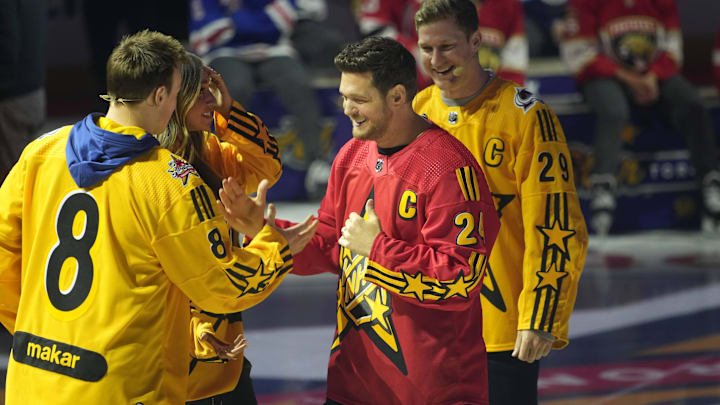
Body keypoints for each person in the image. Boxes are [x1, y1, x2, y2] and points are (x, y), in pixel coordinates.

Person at [0, 30, 316, 404]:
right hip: (127, 381)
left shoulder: (40, 151)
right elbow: (219, 283)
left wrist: (46, 334)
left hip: (37, 378)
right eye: (193, 88)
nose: (207, 98)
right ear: (164, 96)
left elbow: (7, 261)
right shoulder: (168, 179)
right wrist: (272, 245)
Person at [224, 35, 501, 404]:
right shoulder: (351, 155)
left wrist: (377, 248)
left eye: (359, 99)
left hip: (433, 391)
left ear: (398, 97)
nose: (346, 109)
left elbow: (460, 280)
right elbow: (329, 244)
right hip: (351, 384)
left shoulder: (448, 169)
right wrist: (265, 231)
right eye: (344, 96)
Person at [412, 1, 588, 403]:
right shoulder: (417, 111)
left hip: (500, 330)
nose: (435, 60)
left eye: (447, 47)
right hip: (427, 328)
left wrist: (541, 316)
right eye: (426, 49)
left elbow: (556, 224)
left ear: (476, 41)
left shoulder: (527, 116)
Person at [154, 52, 283, 404]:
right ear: (172, 99)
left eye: (212, 88)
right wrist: (197, 329)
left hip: (224, 339)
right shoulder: (147, 168)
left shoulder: (212, 149)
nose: (210, 99)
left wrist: (229, 114)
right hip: (172, 349)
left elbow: (269, 168)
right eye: (200, 92)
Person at [560, 0, 720, 235]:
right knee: (614, 110)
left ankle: (711, 181)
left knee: (693, 102)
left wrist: (653, 77)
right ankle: (602, 188)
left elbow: (673, 48)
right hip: (605, 76)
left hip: (652, 76)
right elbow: (578, 53)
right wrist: (630, 78)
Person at [188, 0, 335, 199]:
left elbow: (284, 18)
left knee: (298, 84)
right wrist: (261, 19)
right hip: (224, 53)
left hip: (274, 50)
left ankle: (317, 164)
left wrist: (236, 19)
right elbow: (210, 32)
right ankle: (222, 168)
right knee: (232, 89)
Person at [357, 0, 528, 88]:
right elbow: (372, 31)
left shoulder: (507, 5)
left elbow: (514, 67)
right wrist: (416, 55)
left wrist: (501, 100)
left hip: (488, 105)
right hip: (425, 99)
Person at [0, 0, 47, 182]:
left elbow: (7, 44)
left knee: (14, 185)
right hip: (33, 93)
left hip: (10, 100)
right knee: (31, 183)